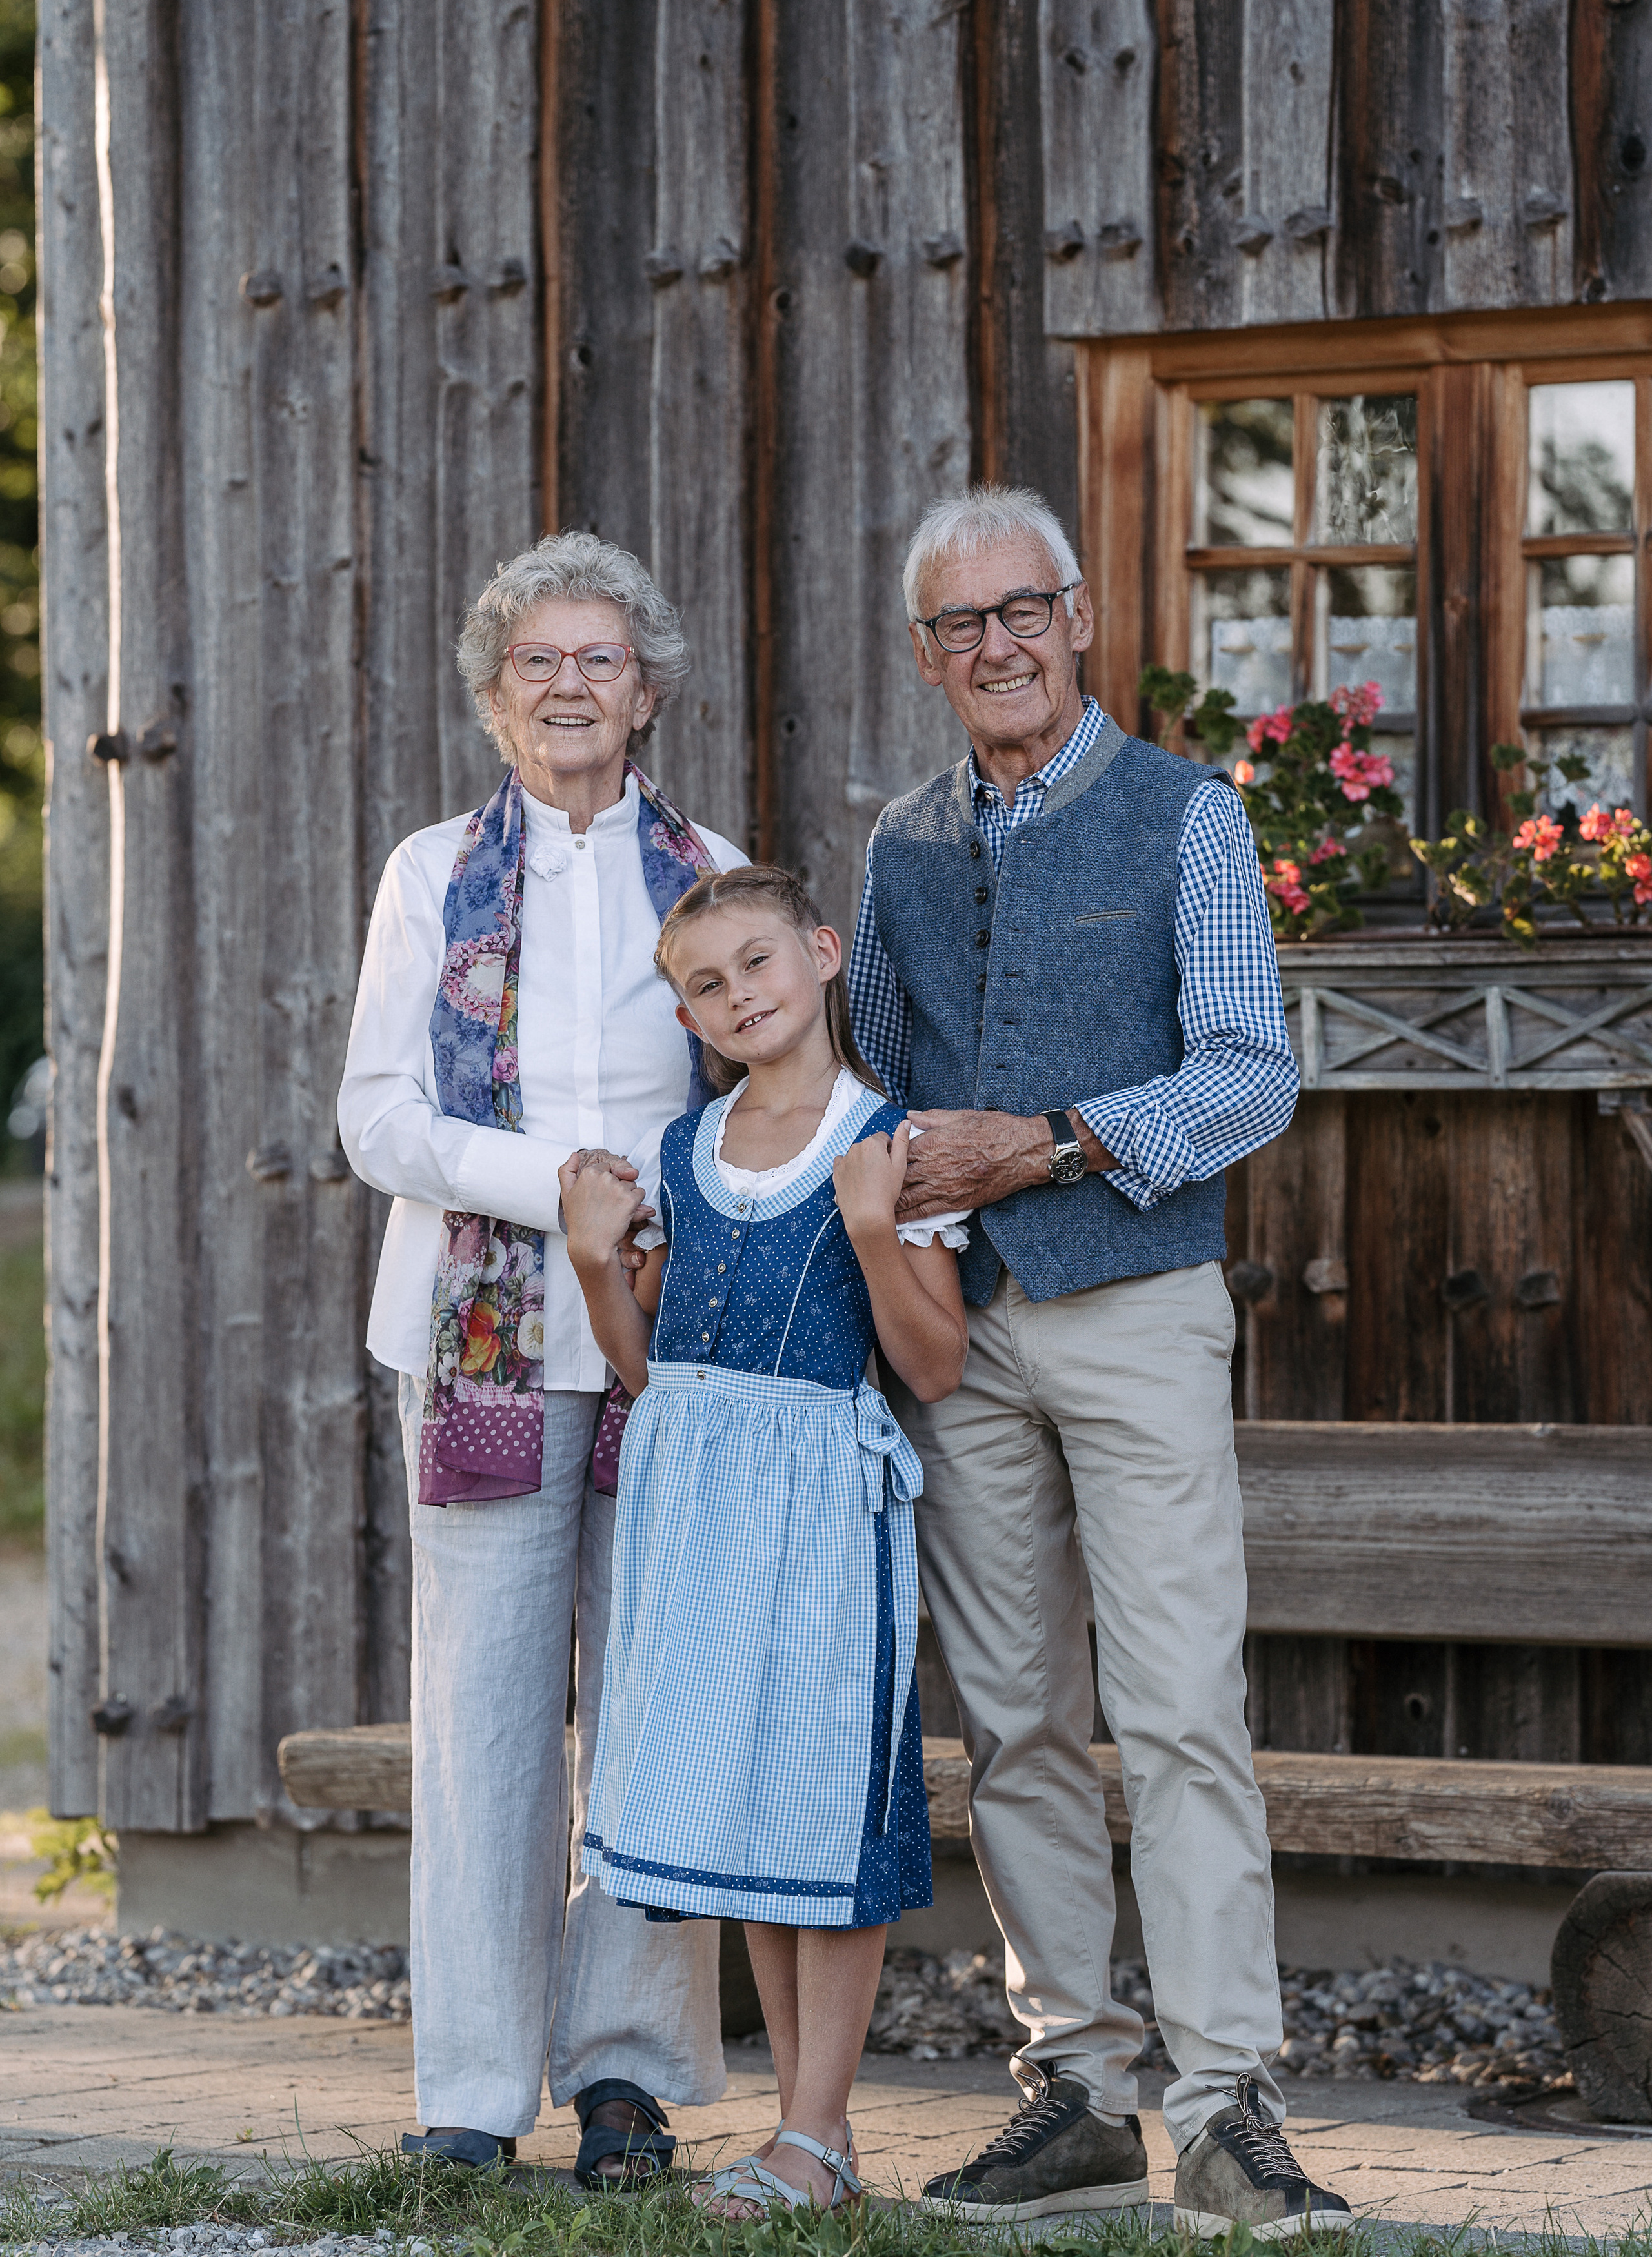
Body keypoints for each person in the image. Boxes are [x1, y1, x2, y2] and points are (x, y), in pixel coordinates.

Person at [847, 485, 1353, 2238]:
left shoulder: (1183, 816)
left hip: (1135, 1307)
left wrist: (1052, 1145)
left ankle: (1227, 2103)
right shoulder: (898, 845)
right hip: (964, 1334)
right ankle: (1075, 2085)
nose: (995, 647)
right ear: (927, 656)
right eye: (958, 626)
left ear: (1077, 619)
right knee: (1014, 1726)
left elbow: (1248, 1076)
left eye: (1021, 613)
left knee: (1182, 1712)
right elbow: (881, 1088)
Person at [337, 532, 747, 2182]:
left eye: (600, 661)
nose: (570, 687)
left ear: (644, 689)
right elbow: (377, 1117)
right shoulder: (433, 871)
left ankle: (633, 2076)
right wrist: (550, 1191)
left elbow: (755, 1092)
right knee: (487, 1719)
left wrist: (653, 1218)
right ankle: (471, 2086)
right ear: (496, 697)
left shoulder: (714, 871)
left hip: (667, 1341)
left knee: (645, 1711)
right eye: (537, 664)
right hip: (480, 1334)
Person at [558, 864, 969, 2221]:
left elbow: (935, 1361)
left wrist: (867, 1224)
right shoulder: (686, 1149)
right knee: (747, 1806)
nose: (738, 996)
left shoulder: (888, 1140)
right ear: (685, 1017)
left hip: (817, 1512)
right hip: (695, 1511)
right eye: (704, 985)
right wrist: (591, 1264)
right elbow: (648, 1370)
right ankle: (807, 2139)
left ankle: (817, 2128)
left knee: (822, 1812)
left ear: (821, 952)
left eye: (755, 963)